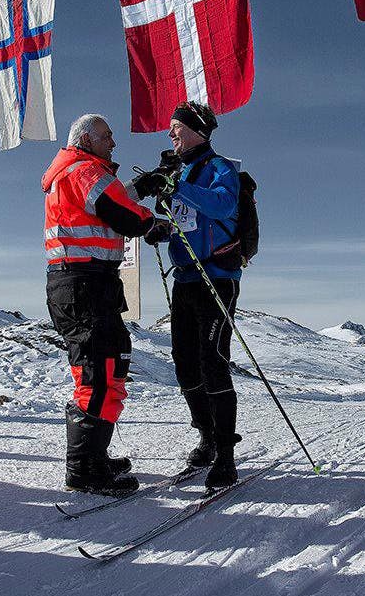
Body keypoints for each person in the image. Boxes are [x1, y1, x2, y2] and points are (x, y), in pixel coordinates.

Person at [43, 114, 165, 496]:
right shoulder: (82, 170)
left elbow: (112, 199)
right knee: (97, 374)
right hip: (84, 283)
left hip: (88, 283)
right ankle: (83, 469)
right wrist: (151, 224)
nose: (113, 143)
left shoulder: (82, 173)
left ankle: (94, 455)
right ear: (86, 140)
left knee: (109, 367)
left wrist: (144, 186)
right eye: (106, 136)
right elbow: (118, 211)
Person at [129, 102, 244, 489]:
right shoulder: (179, 170)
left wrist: (177, 186)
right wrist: (159, 227)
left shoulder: (220, 168)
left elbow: (223, 205)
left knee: (213, 361)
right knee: (184, 363)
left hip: (217, 277)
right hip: (185, 278)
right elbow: (185, 220)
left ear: (198, 131)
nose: (170, 133)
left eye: (176, 127)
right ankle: (207, 437)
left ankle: (226, 455)